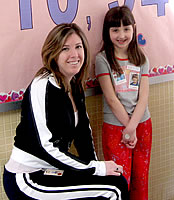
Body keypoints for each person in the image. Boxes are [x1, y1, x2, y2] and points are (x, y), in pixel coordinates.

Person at [3, 23, 129, 200]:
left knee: (115, 181)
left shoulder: (74, 85)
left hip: (53, 170)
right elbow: (45, 147)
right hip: (28, 176)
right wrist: (97, 168)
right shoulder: (42, 85)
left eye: (78, 47)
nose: (74, 55)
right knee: (113, 190)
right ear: (53, 53)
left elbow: (83, 136)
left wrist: (98, 170)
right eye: (65, 49)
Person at [95, 6, 152, 200]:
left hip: (142, 124)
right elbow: (111, 99)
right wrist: (128, 129)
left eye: (126, 28)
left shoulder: (142, 57)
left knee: (141, 176)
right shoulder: (102, 59)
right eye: (115, 30)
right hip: (115, 127)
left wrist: (132, 127)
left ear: (134, 28)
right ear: (107, 32)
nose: (121, 35)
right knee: (119, 179)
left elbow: (143, 97)